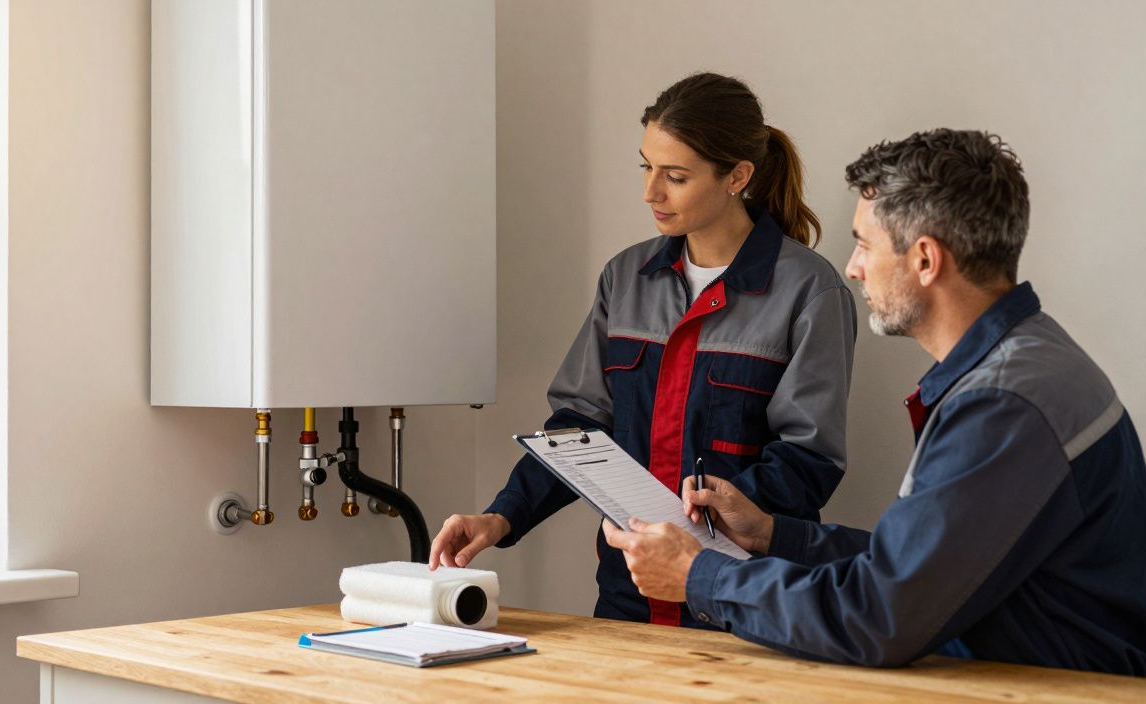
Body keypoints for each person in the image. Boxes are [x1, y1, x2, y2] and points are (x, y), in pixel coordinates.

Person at [602, 128, 1146, 674]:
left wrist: (699, 575)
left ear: (926, 260)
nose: (853, 267)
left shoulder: (1003, 406)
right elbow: (917, 568)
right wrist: (771, 532)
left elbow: (878, 617)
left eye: (865, 244)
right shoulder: (1030, 358)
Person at [430, 72, 858, 628]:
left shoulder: (809, 291)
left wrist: (691, 529)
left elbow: (808, 459)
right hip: (627, 596)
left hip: (745, 598)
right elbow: (579, 428)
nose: (650, 192)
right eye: (646, 167)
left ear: (738, 176)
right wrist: (500, 517)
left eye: (675, 176)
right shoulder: (626, 278)